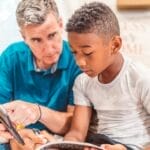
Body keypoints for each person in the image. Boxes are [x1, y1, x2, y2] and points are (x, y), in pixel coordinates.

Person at [64, 2, 150, 150]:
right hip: (99, 143)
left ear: (114, 45)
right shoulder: (82, 82)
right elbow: (77, 133)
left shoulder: (140, 77)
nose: (79, 62)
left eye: (88, 53)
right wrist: (61, 145)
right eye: (74, 52)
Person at [0, 0, 81, 149]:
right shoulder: (11, 57)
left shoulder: (78, 60)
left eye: (52, 35)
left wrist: (37, 112)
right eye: (37, 40)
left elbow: (75, 124)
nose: (49, 49)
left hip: (55, 142)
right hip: (15, 139)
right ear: (24, 37)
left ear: (61, 24)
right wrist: (18, 135)